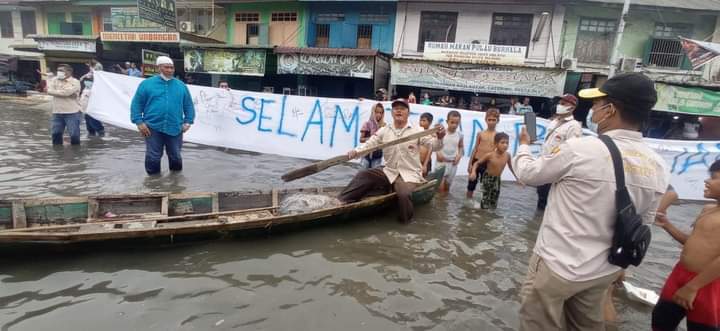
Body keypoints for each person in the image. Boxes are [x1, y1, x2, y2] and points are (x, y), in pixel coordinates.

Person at [513, 72, 669, 330]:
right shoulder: (658, 165)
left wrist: (523, 146)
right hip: (603, 271)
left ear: (610, 109)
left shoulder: (581, 149)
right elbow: (645, 222)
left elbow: (529, 174)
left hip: (557, 265)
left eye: (598, 103)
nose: (593, 109)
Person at [338, 99, 445, 223]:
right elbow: (369, 144)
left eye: (403, 108)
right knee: (364, 174)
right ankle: (341, 201)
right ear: (392, 112)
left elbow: (434, 145)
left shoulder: (417, 130)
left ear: (408, 113)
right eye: (396, 108)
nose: (399, 110)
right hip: (389, 171)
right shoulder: (385, 130)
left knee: (404, 194)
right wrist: (355, 151)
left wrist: (440, 138)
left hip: (408, 174)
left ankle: (405, 222)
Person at [652, 172, 720, 331]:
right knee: (661, 321)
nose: (706, 180)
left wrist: (692, 287)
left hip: (707, 282)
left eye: (714, 177)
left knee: (701, 327)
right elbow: (694, 243)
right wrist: (667, 225)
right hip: (680, 274)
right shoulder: (708, 209)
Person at [130, 56, 195, 175]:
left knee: (175, 156)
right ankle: (153, 185)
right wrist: (139, 122)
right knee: (153, 156)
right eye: (167, 67)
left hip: (175, 127)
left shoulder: (181, 86)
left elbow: (189, 105)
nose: (170, 70)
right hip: (152, 127)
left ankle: (175, 183)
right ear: (158, 68)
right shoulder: (146, 84)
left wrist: (188, 122)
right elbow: (136, 104)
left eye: (172, 68)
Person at [536, 94, 582, 210]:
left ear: (572, 107)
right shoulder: (554, 121)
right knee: (541, 198)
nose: (559, 106)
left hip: (556, 171)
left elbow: (573, 151)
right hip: (544, 166)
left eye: (563, 103)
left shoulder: (574, 126)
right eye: (559, 103)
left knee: (550, 202)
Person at [468, 132, 518, 209]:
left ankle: (490, 218)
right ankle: (481, 216)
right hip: (487, 179)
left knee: (494, 201)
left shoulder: (507, 155)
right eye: (502, 142)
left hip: (497, 180)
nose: (505, 145)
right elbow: (477, 163)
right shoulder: (489, 155)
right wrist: (473, 172)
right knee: (485, 201)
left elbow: (511, 167)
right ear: (495, 144)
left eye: (507, 143)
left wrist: (517, 179)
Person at [467, 108, 500, 199]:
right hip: (477, 161)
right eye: (489, 120)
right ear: (486, 120)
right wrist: (470, 164)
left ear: (498, 121)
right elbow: (475, 148)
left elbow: (498, 153)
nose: (491, 122)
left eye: (494, 120)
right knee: (471, 185)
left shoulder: (498, 136)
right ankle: (467, 202)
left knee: (486, 186)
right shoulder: (480, 133)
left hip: (489, 163)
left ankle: (483, 205)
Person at [47, 64, 82, 145]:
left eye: (61, 70)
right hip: (57, 112)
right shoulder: (54, 80)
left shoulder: (75, 82)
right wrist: (64, 93)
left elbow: (66, 93)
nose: (59, 72)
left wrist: (56, 92)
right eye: (58, 70)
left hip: (72, 112)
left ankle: (76, 154)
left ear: (69, 72)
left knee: (74, 135)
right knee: (55, 135)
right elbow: (48, 90)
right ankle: (58, 155)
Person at [437, 111, 464, 193]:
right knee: (440, 188)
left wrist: (459, 156)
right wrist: (438, 152)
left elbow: (461, 146)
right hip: (441, 163)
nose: (454, 125)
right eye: (452, 122)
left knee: (447, 188)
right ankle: (439, 204)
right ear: (447, 121)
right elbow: (435, 144)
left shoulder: (460, 135)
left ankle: (444, 205)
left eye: (457, 123)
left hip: (453, 164)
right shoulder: (442, 133)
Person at [359, 103, 386, 169]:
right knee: (362, 174)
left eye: (380, 113)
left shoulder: (384, 125)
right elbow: (361, 139)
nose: (378, 115)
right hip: (366, 155)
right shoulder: (367, 124)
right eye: (376, 112)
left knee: (373, 176)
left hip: (377, 156)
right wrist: (372, 138)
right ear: (373, 112)